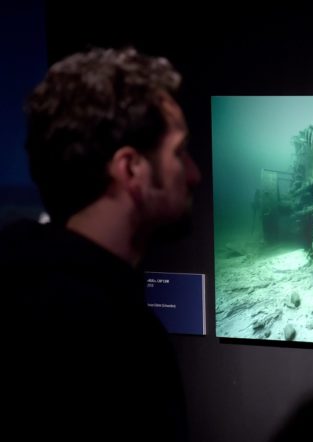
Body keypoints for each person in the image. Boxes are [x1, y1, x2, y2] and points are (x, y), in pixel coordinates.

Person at [0, 48, 200, 441]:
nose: (193, 174)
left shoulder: (19, 288)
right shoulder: (118, 346)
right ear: (131, 170)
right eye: (179, 152)